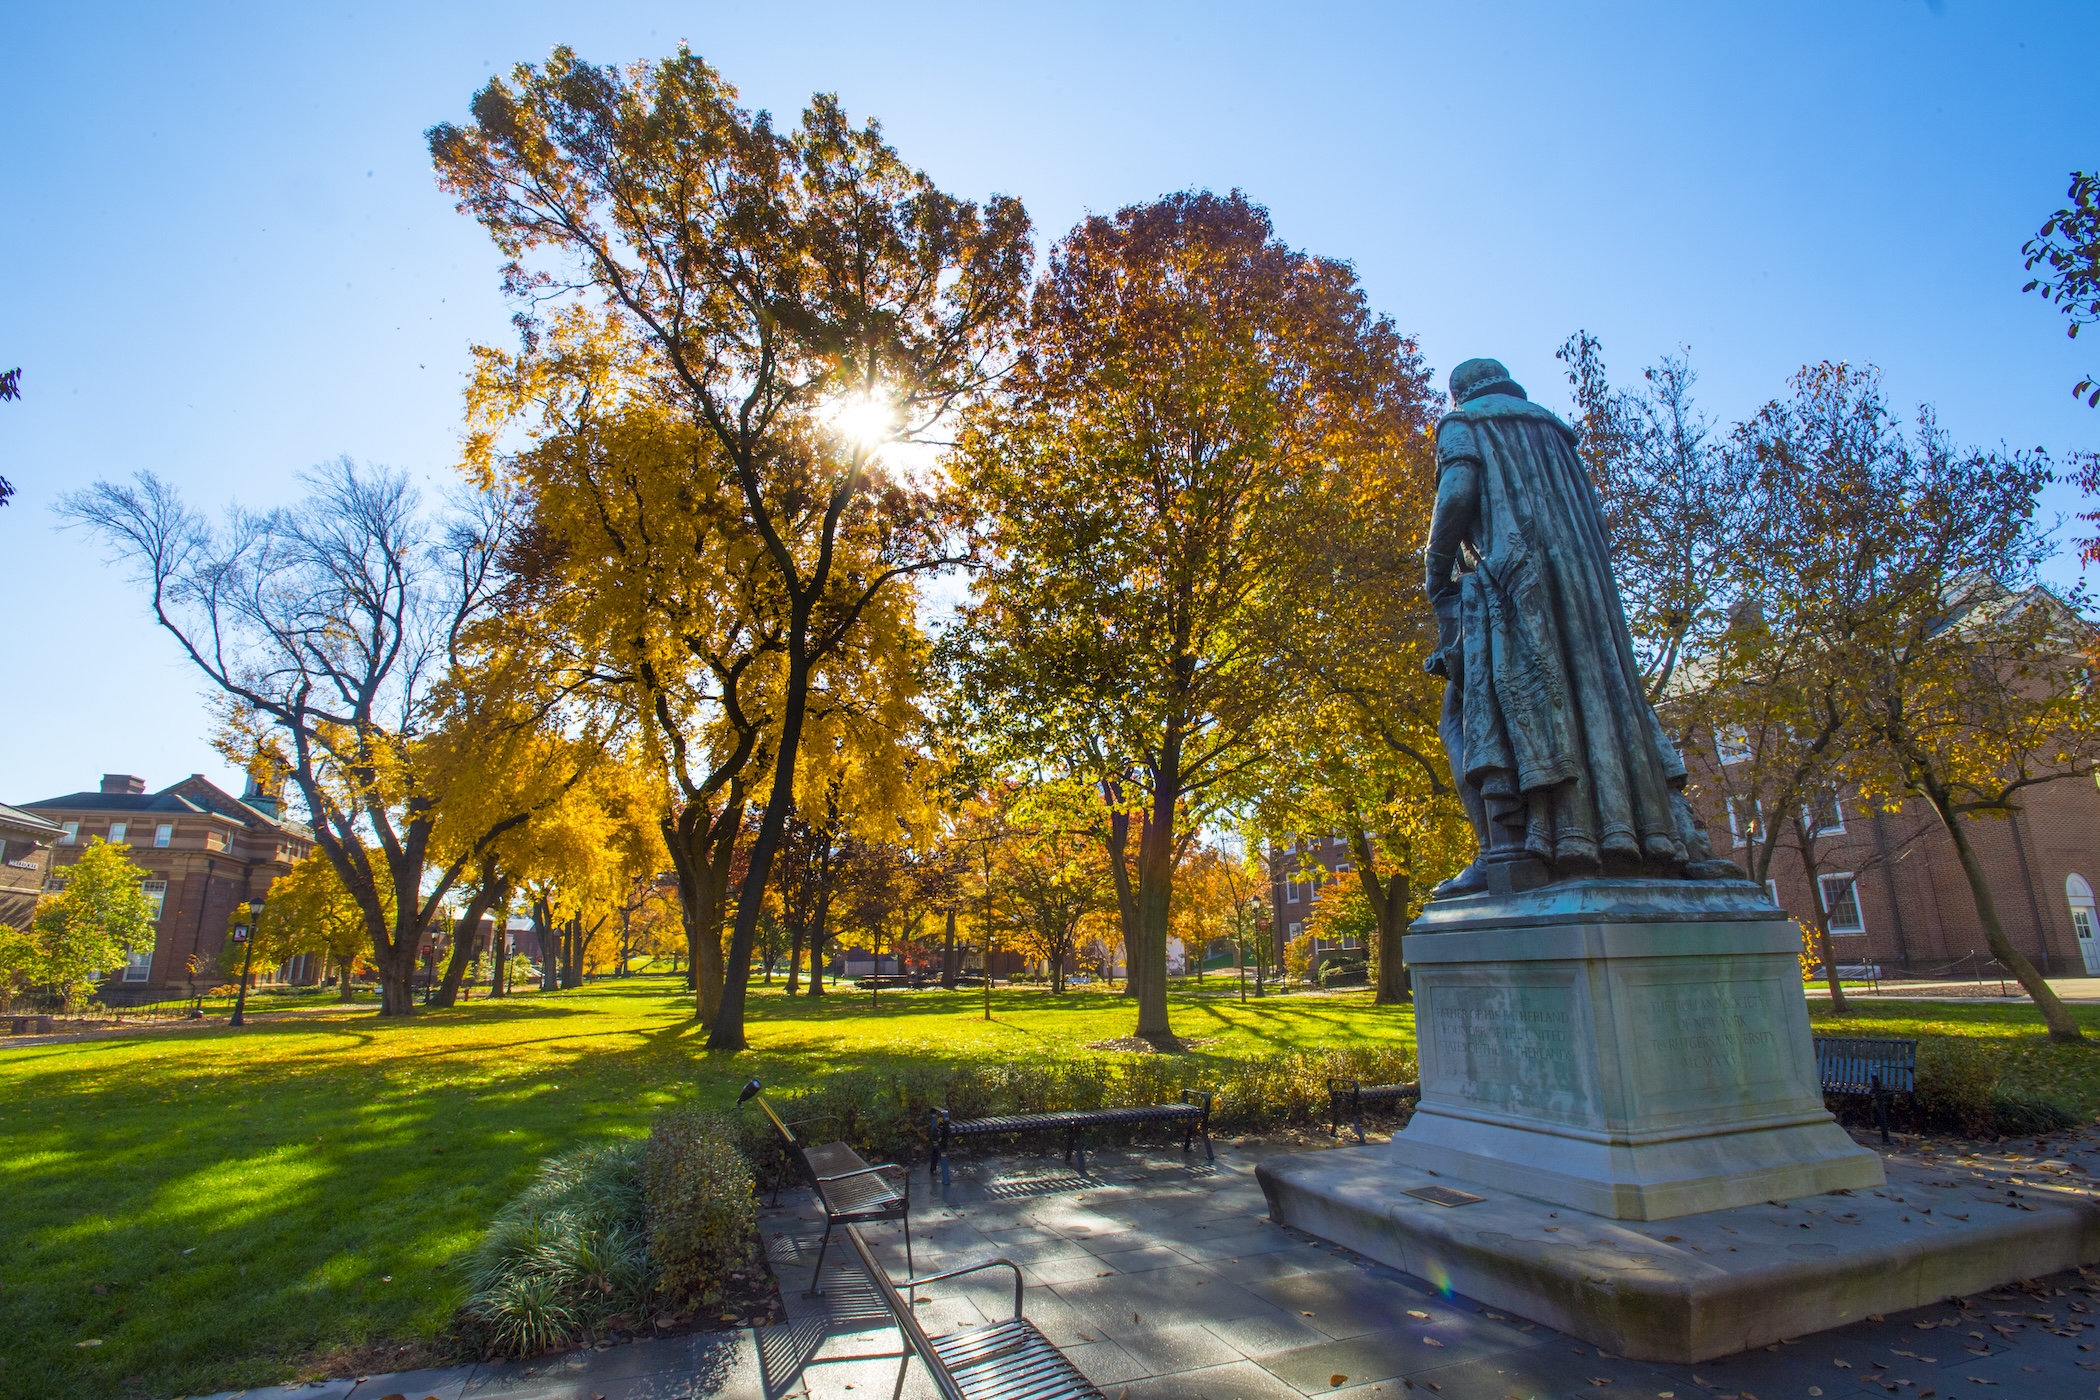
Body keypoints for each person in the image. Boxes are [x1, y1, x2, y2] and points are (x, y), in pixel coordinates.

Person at [1424, 358, 1731, 897]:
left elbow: (1456, 494)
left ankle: (1505, 849)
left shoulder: (1463, 424)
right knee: (1607, 707)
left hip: (1511, 592)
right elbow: (1594, 520)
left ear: (1459, 394)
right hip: (1586, 601)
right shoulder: (1556, 437)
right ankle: (1657, 838)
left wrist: (1436, 575)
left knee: (1464, 717)